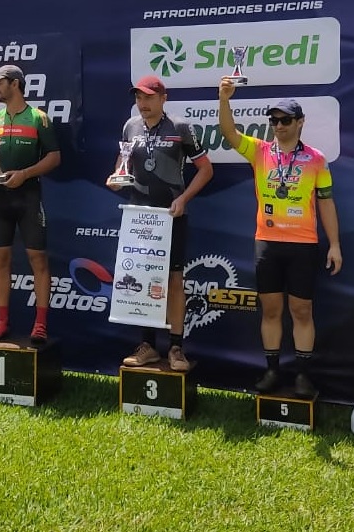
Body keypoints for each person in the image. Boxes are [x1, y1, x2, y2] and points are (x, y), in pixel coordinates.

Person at [218, 79, 342, 398]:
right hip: (268, 243)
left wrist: (335, 244)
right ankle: (272, 370)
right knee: (271, 310)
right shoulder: (260, 151)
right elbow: (229, 133)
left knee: (302, 311)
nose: (279, 125)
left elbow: (326, 202)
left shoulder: (316, 159)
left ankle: (303, 375)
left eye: (285, 120)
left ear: (300, 122)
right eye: (274, 120)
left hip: (303, 244)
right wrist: (224, 99)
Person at [107, 75, 214, 372]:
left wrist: (184, 199)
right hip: (140, 218)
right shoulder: (130, 127)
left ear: (163, 98)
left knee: (174, 280)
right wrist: (115, 178)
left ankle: (176, 348)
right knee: (142, 278)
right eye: (138, 98)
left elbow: (206, 170)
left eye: (149, 97)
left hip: (170, 216)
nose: (143, 103)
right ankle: (148, 345)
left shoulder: (180, 127)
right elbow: (122, 164)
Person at [0, 64, 60, 344]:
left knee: (38, 259)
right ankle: (1, 321)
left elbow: (54, 157)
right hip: (0, 198)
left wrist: (25, 174)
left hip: (29, 197)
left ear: (15, 84)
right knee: (0, 258)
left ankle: (40, 325)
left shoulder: (39, 118)